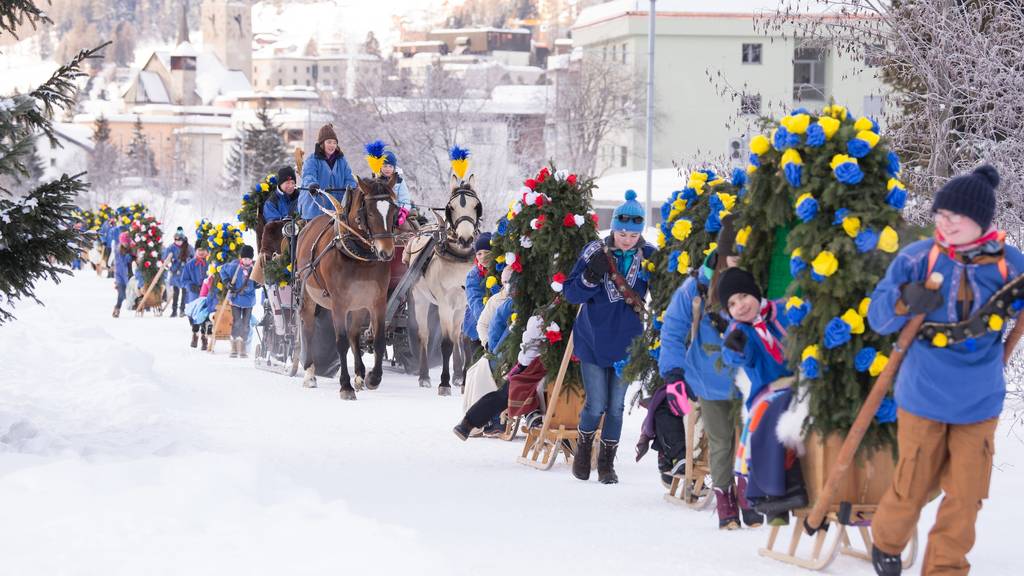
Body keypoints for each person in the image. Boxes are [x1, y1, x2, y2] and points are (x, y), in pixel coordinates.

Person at [866, 165, 1024, 576]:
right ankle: (886, 541)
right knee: (912, 485)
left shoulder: (1009, 264)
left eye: (956, 215)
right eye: (940, 215)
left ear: (981, 221)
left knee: (967, 495)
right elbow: (878, 318)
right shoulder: (917, 259)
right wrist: (903, 300)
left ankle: (945, 568)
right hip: (923, 396)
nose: (945, 222)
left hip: (980, 400)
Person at [658, 215, 763, 529]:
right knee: (720, 442)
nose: (739, 262)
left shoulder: (755, 282)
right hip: (710, 378)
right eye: (734, 254)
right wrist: (674, 374)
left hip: (748, 379)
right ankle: (725, 500)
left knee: (749, 439)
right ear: (721, 253)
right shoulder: (698, 286)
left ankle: (748, 496)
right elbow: (674, 329)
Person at [564, 190, 657, 484]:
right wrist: (590, 277)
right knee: (596, 403)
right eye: (621, 232)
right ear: (614, 227)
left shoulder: (649, 256)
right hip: (592, 338)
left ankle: (606, 464)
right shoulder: (594, 252)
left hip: (627, 342)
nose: (627, 239)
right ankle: (583, 450)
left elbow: (663, 291)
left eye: (632, 234)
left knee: (616, 406)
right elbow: (570, 293)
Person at [718, 267, 807, 524]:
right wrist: (735, 348)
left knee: (789, 406)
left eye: (744, 296)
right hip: (769, 389)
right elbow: (734, 355)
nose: (740, 306)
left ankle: (790, 486)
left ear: (756, 293)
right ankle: (778, 492)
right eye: (732, 304)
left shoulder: (786, 310)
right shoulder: (740, 331)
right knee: (771, 413)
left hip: (803, 379)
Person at [298, 124, 357, 220]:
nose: (332, 145)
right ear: (322, 143)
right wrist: (312, 184)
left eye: (334, 143)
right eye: (329, 142)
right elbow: (309, 175)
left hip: (338, 208)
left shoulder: (342, 161)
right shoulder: (312, 160)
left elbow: (348, 177)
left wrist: (351, 187)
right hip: (316, 207)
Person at [462, 233, 492, 381]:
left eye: (487, 252)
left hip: (496, 325)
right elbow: (475, 301)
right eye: (479, 253)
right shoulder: (473, 275)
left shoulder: (499, 272)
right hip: (477, 326)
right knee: (479, 363)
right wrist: (487, 323)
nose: (483, 256)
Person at [220, 245, 257, 358]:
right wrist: (227, 282)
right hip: (236, 298)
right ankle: (235, 345)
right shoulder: (234, 266)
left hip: (249, 300)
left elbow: (261, 277)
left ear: (252, 259)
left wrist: (258, 284)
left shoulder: (255, 268)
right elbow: (222, 270)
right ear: (241, 258)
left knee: (246, 324)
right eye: (244, 258)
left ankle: (243, 346)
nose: (247, 261)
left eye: (249, 259)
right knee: (237, 322)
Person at [181, 241, 213, 350]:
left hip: (207, 293)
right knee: (194, 316)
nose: (201, 252)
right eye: (199, 250)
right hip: (194, 294)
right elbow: (184, 280)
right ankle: (195, 334)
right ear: (196, 251)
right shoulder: (190, 264)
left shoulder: (210, 264)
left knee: (204, 315)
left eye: (203, 250)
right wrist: (191, 286)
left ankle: (204, 338)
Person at [261, 166, 300, 253]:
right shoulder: (271, 202)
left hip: (300, 236)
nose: (290, 186)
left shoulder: (301, 197)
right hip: (280, 241)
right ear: (280, 184)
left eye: (293, 183)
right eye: (287, 183)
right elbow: (273, 223)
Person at [162, 227, 192, 318]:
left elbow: (192, 257)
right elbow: (165, 258)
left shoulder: (188, 247)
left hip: (184, 272)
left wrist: (186, 260)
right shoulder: (171, 247)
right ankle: (174, 310)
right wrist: (170, 263)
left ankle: (182, 310)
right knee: (175, 292)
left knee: (184, 292)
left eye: (180, 240)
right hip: (175, 272)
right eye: (176, 240)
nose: (178, 242)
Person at [112, 231, 134, 318]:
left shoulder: (130, 249)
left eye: (127, 242)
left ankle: (117, 309)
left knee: (126, 294)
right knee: (122, 294)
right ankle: (117, 308)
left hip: (128, 275)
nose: (126, 244)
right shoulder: (118, 251)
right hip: (120, 276)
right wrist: (129, 256)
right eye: (124, 242)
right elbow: (123, 263)